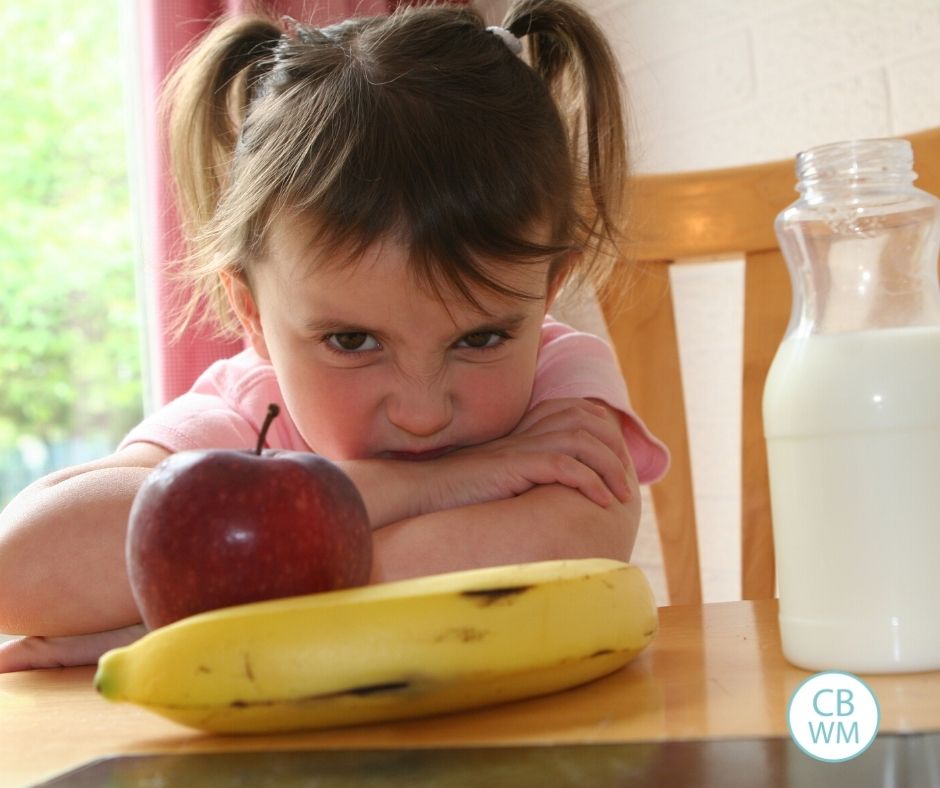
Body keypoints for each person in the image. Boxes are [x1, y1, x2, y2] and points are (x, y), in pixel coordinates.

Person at [0, 0, 668, 671]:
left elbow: (576, 545)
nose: (422, 411)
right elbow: (19, 572)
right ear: (253, 314)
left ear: (550, 289)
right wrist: (430, 487)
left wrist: (192, 615)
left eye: (480, 339)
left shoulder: (559, 379)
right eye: (353, 342)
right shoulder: (247, 411)